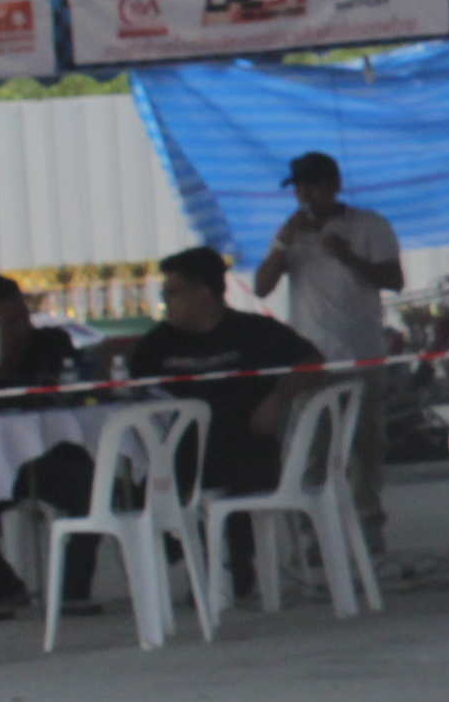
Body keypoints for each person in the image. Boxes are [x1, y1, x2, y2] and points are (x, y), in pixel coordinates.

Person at [117, 247, 324, 601]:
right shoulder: (157, 344)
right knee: (134, 477)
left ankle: (234, 566)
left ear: (204, 292)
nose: (166, 302)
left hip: (246, 446)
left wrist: (278, 398)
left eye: (173, 292)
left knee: (227, 466)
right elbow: (133, 393)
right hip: (177, 452)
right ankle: (187, 564)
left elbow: (314, 363)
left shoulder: (255, 331)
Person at [253, 150, 403, 543]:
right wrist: (282, 245)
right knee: (311, 448)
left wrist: (347, 256)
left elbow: (394, 279)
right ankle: (313, 533)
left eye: (314, 187)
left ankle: (369, 528)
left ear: (334, 185)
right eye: (300, 189)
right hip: (311, 359)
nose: (306, 196)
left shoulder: (369, 225)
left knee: (365, 447)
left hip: (362, 353)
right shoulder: (291, 233)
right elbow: (261, 287)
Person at [0, 273, 95, 619]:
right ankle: (4, 590)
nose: (23, 326)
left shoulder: (51, 343)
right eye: (10, 321)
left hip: (48, 453)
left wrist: (10, 359)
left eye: (23, 316)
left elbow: (54, 388)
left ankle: (74, 590)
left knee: (91, 487)